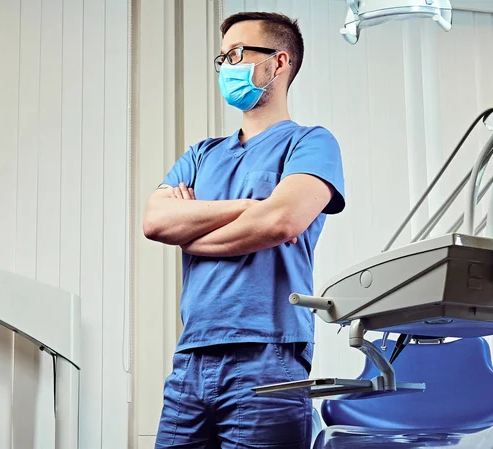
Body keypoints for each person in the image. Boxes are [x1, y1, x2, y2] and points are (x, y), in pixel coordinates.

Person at [143, 11, 345, 449]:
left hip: (269, 356)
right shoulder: (201, 154)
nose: (227, 67)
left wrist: (193, 227)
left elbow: (283, 221)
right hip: (191, 358)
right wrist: (251, 209)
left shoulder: (310, 143)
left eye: (238, 53)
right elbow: (156, 221)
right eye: (222, 59)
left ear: (279, 62)